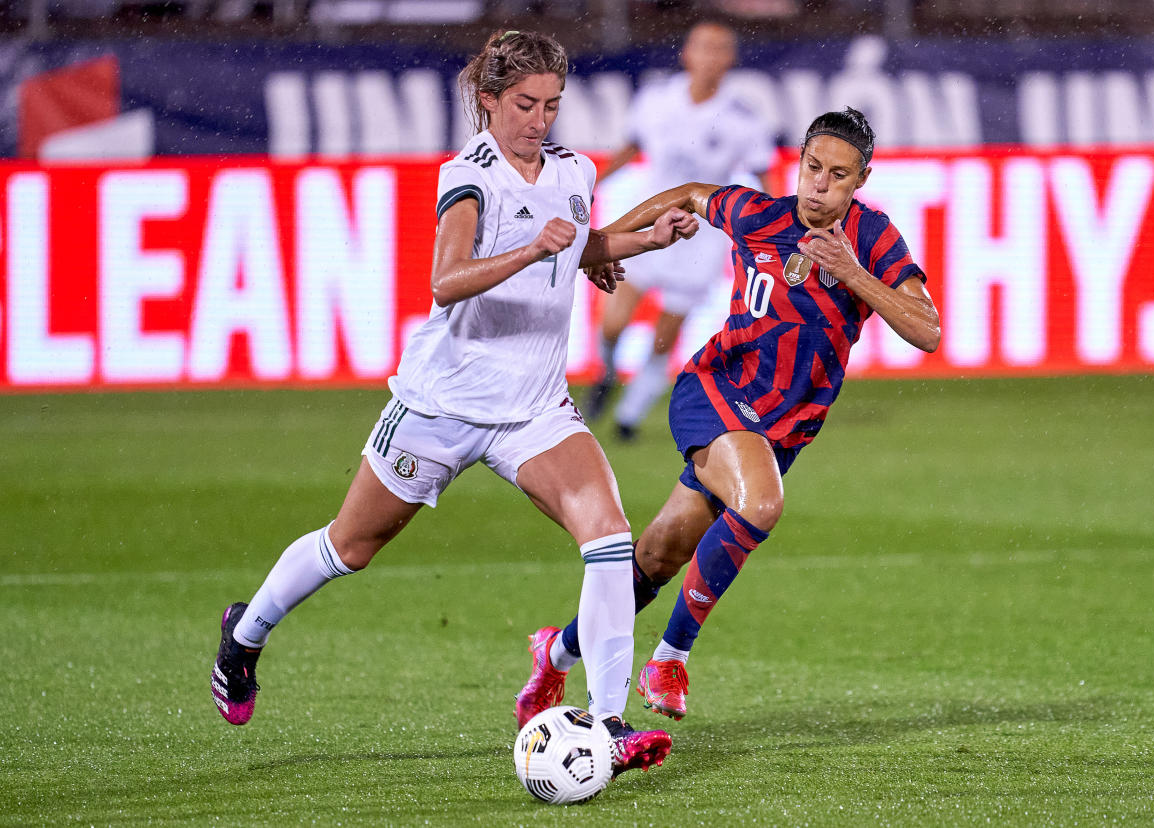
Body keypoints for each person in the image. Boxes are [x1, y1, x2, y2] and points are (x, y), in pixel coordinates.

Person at [210, 29, 700, 776]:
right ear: (489, 101)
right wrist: (536, 249)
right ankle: (246, 633)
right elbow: (446, 281)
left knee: (606, 536)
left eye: (552, 105)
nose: (540, 119)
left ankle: (608, 724)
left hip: (534, 409)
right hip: (443, 404)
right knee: (351, 546)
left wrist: (639, 242)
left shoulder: (575, 169)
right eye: (525, 104)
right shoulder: (468, 175)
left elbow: (576, 246)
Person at [516, 107, 940, 725]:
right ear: (797, 163)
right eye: (812, 167)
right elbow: (691, 193)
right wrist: (600, 241)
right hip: (716, 390)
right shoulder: (760, 215)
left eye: (837, 175)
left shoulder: (872, 238)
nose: (818, 184)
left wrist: (852, 274)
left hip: (781, 429)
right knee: (761, 505)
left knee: (659, 556)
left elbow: (926, 329)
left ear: (861, 181)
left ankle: (554, 655)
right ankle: (669, 657)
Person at [585, 20, 778, 441]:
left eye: (718, 49)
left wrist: (782, 224)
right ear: (686, 53)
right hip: (649, 219)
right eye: (701, 47)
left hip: (700, 237)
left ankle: (628, 418)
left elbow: (766, 175)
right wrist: (591, 184)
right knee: (613, 321)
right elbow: (631, 147)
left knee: (665, 334)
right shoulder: (656, 100)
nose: (709, 57)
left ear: (729, 59)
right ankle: (606, 371)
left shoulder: (743, 119)